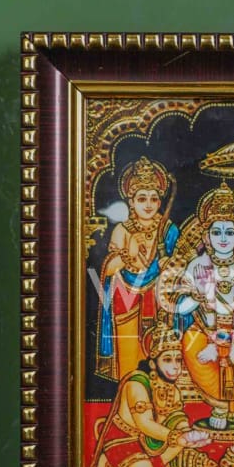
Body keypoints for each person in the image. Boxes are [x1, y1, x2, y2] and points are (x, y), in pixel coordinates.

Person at [168, 183, 234, 437]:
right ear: (206, 237)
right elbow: (181, 305)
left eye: (230, 232)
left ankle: (228, 406)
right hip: (205, 328)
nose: (223, 239)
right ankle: (221, 405)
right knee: (190, 344)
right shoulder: (197, 265)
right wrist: (197, 298)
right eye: (216, 232)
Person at [87, 322, 213, 467]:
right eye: (167, 360)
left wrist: (188, 435)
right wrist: (177, 437)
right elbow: (144, 424)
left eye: (178, 360)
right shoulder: (137, 384)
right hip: (124, 440)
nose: (175, 366)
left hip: (149, 442)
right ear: (153, 363)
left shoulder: (172, 390)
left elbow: (177, 418)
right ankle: (108, 462)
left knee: (181, 436)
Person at [96, 156, 178, 382]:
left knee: (161, 355)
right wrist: (128, 253)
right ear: (131, 202)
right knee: (130, 359)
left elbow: (181, 264)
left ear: (160, 202)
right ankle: (130, 394)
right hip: (127, 300)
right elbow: (108, 269)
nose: (148, 204)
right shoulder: (122, 230)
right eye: (142, 198)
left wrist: (169, 266)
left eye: (154, 198)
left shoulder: (168, 230)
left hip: (159, 300)